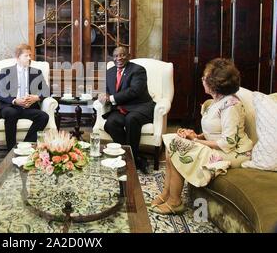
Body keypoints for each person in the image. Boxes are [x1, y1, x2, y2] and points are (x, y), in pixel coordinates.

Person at [150, 58, 253, 215]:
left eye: (205, 77)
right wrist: (195, 135)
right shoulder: (215, 102)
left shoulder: (231, 105)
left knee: (180, 149)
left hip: (235, 153)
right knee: (173, 145)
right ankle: (166, 194)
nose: (202, 79)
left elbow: (228, 141)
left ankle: (175, 202)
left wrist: (197, 141)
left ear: (214, 83)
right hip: (223, 146)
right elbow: (216, 130)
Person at [98, 46, 155, 174]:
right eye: (116, 56)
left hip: (140, 106)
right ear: (113, 58)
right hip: (121, 107)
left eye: (122, 55)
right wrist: (103, 94)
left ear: (128, 56)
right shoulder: (110, 72)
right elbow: (106, 89)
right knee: (111, 124)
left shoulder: (138, 70)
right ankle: (133, 157)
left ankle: (130, 159)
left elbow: (135, 91)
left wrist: (111, 98)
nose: (119, 58)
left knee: (131, 119)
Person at [0, 43, 50, 150]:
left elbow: (46, 90)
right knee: (11, 113)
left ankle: (25, 146)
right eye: (26, 56)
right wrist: (15, 101)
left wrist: (36, 98)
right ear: (18, 57)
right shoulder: (6, 71)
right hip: (11, 107)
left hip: (28, 107)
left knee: (44, 116)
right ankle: (11, 150)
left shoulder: (36, 72)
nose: (29, 58)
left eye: (30, 55)